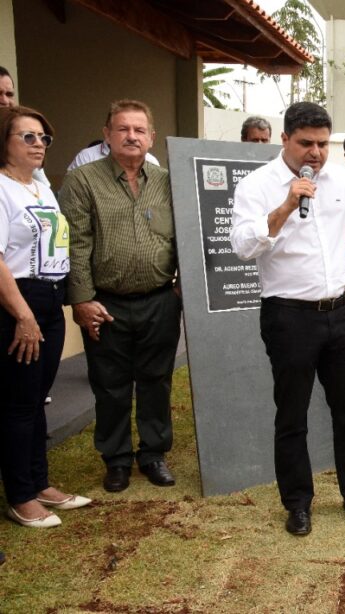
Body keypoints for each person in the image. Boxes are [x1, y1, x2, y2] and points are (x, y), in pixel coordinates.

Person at [230, 102, 345, 535]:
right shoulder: (257, 185)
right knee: (292, 414)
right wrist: (287, 205)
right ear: (285, 139)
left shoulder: (341, 180)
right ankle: (298, 503)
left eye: (323, 144)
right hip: (289, 316)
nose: (316, 153)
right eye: (306, 143)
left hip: (340, 311)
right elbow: (243, 246)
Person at [61, 100, 181, 493]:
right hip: (105, 303)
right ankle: (116, 460)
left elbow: (185, 235)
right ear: (107, 135)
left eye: (139, 130)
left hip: (160, 300)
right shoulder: (83, 181)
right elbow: (76, 244)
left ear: (151, 137)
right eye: (123, 129)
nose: (131, 136)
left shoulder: (167, 182)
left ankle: (153, 454)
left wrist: (183, 288)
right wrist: (81, 301)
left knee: (156, 381)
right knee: (109, 385)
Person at [1, 106, 91, 528]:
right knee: (18, 404)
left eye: (43, 138)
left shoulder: (40, 188)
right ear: (4, 142)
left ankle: (39, 483)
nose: (39, 144)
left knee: (37, 399)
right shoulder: (2, 188)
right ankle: (19, 495)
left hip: (50, 299)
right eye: (28, 137)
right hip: (18, 302)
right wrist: (23, 314)